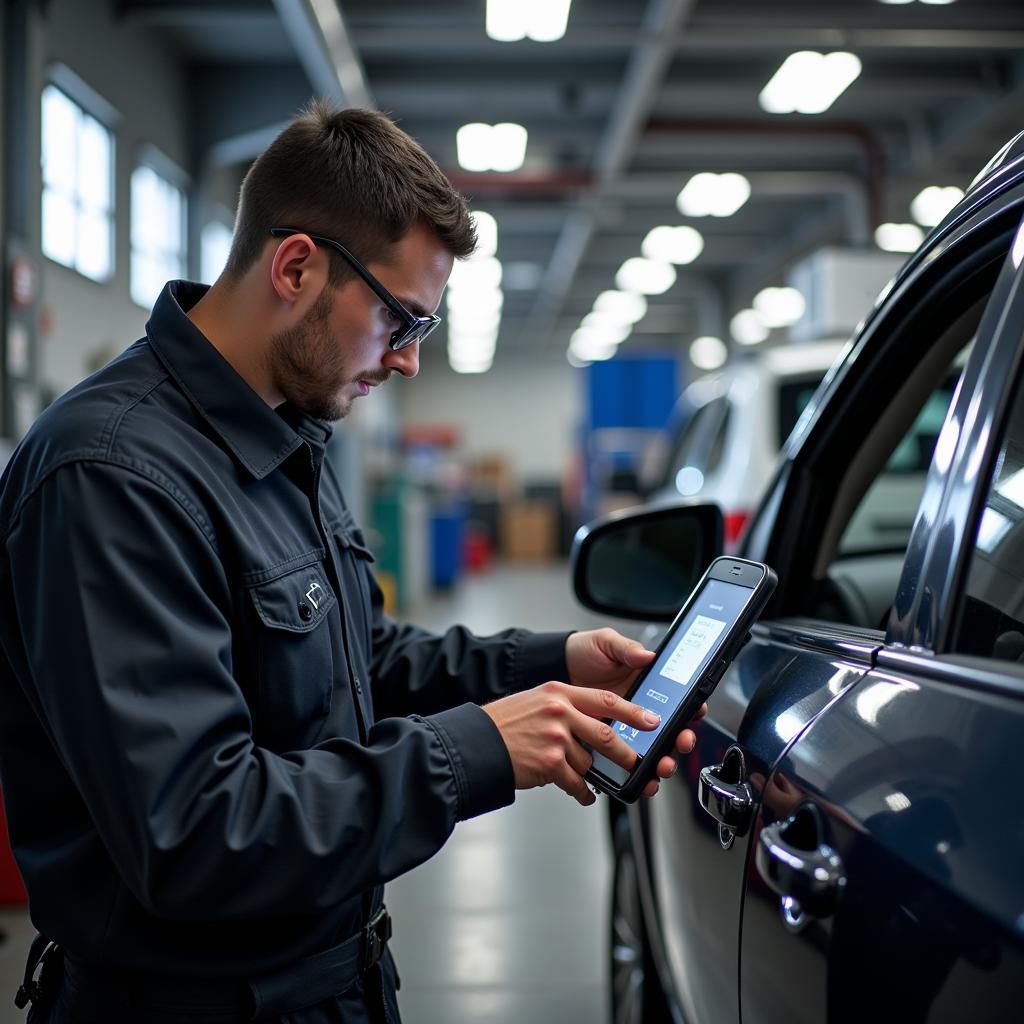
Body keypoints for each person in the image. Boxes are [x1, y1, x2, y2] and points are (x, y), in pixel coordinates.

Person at [0, 101, 703, 1024]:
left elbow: (361, 661)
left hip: (336, 984)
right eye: (402, 322)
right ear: (296, 266)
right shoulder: (112, 476)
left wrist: (554, 666)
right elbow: (198, 832)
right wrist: (481, 749)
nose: (408, 363)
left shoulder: (289, 437)